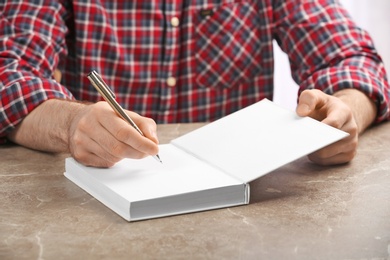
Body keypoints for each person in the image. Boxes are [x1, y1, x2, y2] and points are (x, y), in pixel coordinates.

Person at [0, 0, 389, 168]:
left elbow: (351, 59)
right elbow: (9, 73)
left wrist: (344, 111)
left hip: (238, 218)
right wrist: (72, 124)